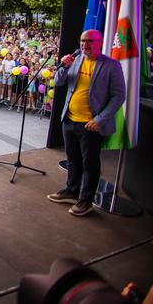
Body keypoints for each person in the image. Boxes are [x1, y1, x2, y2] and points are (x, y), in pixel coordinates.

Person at [47, 30, 126, 217]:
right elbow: (58, 82)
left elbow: (119, 96)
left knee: (90, 164)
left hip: (90, 125)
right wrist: (64, 67)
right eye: (83, 41)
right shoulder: (75, 60)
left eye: (90, 41)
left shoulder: (111, 66)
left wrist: (99, 119)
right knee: (73, 160)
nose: (85, 45)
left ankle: (86, 201)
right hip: (70, 119)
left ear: (100, 43)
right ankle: (72, 191)